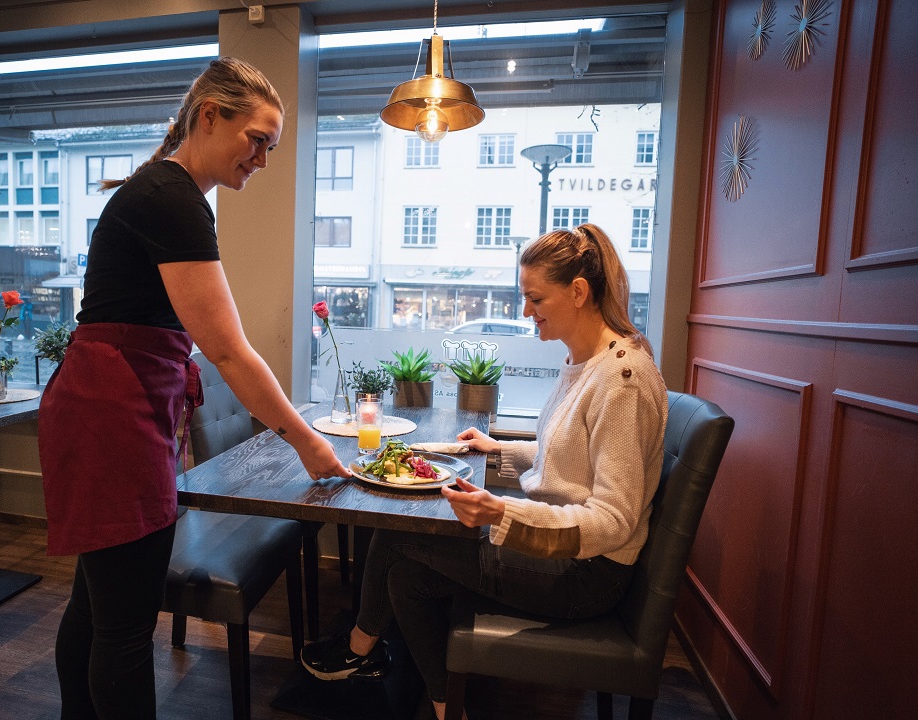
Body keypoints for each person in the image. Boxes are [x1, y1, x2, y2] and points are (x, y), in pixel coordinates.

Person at [39, 57, 350, 720]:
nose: (263, 159)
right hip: (110, 417)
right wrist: (307, 442)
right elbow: (230, 354)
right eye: (257, 139)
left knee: (95, 607)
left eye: (273, 145)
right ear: (210, 115)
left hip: (104, 408)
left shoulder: (166, 193)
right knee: (120, 627)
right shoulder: (173, 198)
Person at [300, 223, 668, 720]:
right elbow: (570, 458)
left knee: (397, 536)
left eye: (535, 298)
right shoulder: (588, 361)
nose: (525, 312)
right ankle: (447, 705)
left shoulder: (622, 380)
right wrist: (497, 452)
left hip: (585, 573)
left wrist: (501, 513)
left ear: (578, 292)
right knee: (405, 575)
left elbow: (613, 522)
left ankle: (357, 649)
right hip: (563, 552)